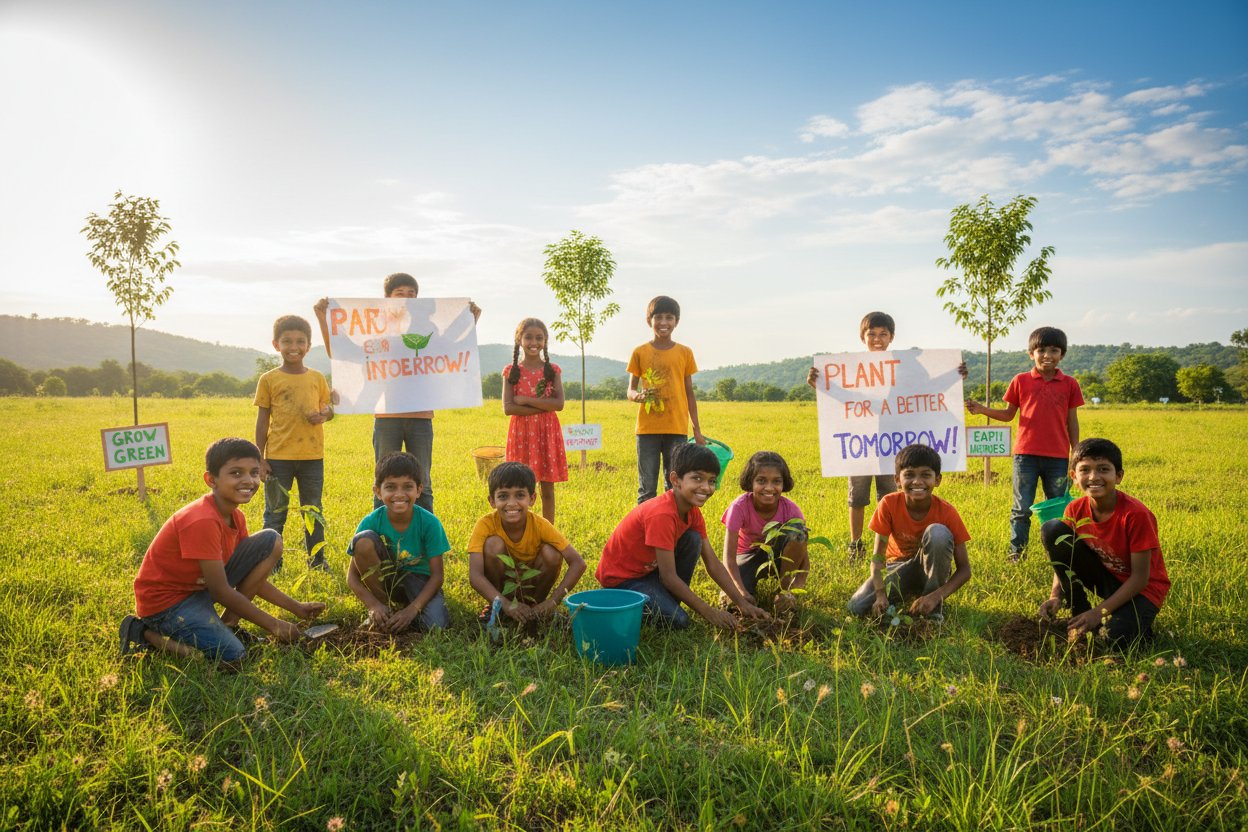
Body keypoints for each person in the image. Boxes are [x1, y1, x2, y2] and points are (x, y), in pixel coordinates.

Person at [119, 438, 325, 664]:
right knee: (232, 657)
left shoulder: (236, 516)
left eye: (254, 472)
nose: (248, 480)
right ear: (211, 480)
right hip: (167, 604)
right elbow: (220, 592)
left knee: (271, 540)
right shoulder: (202, 521)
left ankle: (228, 625)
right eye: (236, 473)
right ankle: (144, 634)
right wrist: (275, 626)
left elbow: (250, 578)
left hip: (198, 588)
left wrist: (296, 608)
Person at [314, 273, 482, 515]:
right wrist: (324, 319)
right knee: (384, 481)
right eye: (400, 294)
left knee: (422, 482)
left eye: (411, 294)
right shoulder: (382, 334)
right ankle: (379, 538)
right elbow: (345, 352)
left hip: (421, 417)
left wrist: (469, 322)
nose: (406, 299)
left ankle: (425, 538)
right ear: (387, 300)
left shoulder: (429, 332)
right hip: (387, 416)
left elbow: (451, 352)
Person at [808, 311, 967, 563]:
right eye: (872, 334)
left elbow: (924, 392)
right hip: (860, 440)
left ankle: (889, 546)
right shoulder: (850, 369)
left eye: (883, 334)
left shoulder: (906, 367)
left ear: (892, 337)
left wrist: (953, 376)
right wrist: (820, 385)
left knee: (889, 496)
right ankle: (856, 544)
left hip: (891, 442)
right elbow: (845, 398)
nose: (877, 339)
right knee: (857, 495)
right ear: (863, 337)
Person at [596, 443, 769, 630]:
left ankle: (667, 601)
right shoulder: (661, 514)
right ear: (676, 480)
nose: (706, 487)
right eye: (697, 478)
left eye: (711, 481)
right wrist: (710, 612)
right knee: (678, 621)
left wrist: (742, 604)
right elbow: (668, 577)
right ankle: (634, 605)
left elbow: (713, 564)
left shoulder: (693, 512)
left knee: (693, 538)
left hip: (648, 573)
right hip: (623, 581)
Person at [966, 326, 1083, 563]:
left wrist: (1077, 455)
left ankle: (1062, 555)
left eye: (1054, 350)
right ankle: (1016, 554)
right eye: (1041, 350)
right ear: (1031, 353)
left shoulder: (1070, 384)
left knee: (1059, 508)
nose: (1047, 355)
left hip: (1059, 458)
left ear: (1063, 354)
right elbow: (1009, 414)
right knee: (1021, 509)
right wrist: (981, 410)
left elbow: (1072, 422)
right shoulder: (1020, 380)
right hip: (1025, 457)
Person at [1037, 438, 1169, 647]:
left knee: (1112, 640)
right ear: (1074, 477)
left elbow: (1141, 579)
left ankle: (1134, 624)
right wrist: (1056, 596)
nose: (1093, 477)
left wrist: (1099, 612)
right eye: (1085, 470)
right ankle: (1079, 609)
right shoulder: (1075, 509)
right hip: (1107, 578)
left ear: (1118, 476)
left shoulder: (1136, 515)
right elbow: (1065, 557)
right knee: (1052, 529)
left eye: (1103, 469)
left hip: (1142, 590)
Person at [847, 443, 972, 618]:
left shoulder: (947, 512)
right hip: (899, 567)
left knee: (938, 533)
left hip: (932, 570)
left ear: (937, 480)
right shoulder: (888, 504)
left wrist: (936, 596)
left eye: (926, 475)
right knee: (856, 606)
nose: (918, 481)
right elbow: (878, 557)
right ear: (897, 480)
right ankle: (908, 591)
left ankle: (932, 609)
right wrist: (881, 595)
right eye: (909, 475)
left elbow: (965, 570)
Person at [254, 314, 334, 571]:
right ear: (276, 344)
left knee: (313, 512)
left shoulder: (317, 378)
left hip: (312, 457)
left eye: (300, 341)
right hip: (278, 458)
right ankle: (271, 565)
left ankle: (317, 562)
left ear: (309, 346)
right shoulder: (269, 379)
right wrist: (260, 457)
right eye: (287, 341)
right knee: (275, 514)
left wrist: (325, 414)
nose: (294, 347)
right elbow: (262, 421)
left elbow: (327, 410)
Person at [467, 461, 586, 624]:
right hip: (503, 590)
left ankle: (535, 610)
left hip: (532, 588)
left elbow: (578, 563)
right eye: (503, 496)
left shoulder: (540, 525)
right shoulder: (485, 524)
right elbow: (475, 576)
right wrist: (506, 604)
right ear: (492, 501)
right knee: (492, 544)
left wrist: (553, 601)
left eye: (520, 495)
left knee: (552, 553)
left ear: (532, 498)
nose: (512, 503)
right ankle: (497, 606)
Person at [345, 452, 451, 632]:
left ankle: (404, 612)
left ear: (419, 490)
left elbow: (437, 576)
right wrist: (373, 605)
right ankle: (385, 609)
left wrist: (412, 610)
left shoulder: (430, 523)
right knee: (362, 540)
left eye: (407, 487)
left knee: (437, 626)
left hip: (419, 580)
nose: (399, 495)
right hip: (386, 579)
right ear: (378, 492)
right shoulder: (370, 522)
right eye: (391, 487)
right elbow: (352, 578)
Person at [626, 296, 705, 504]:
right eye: (658, 317)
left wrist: (696, 429)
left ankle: (674, 531)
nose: (663, 322)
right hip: (647, 430)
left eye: (669, 317)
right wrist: (638, 397)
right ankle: (645, 532)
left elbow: (689, 393)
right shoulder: (640, 352)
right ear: (649, 320)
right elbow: (631, 390)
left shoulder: (685, 353)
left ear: (676, 322)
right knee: (647, 488)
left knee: (675, 486)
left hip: (677, 428)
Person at [719, 451, 809, 615]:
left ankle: (783, 589)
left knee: (798, 530)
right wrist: (740, 590)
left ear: (784, 483)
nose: (769, 488)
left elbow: (802, 553)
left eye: (776, 481)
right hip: (746, 556)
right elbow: (729, 558)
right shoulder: (738, 507)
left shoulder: (791, 510)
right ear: (750, 482)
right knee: (731, 604)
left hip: (777, 556)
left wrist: (795, 587)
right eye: (761, 481)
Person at [502, 318, 567, 523]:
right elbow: (508, 408)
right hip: (521, 434)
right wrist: (540, 406)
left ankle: (548, 533)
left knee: (548, 489)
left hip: (547, 433)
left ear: (545, 341)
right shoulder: (511, 372)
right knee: (519, 488)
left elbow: (558, 405)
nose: (534, 342)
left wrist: (525, 401)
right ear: (519, 339)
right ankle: (520, 529)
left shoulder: (552, 370)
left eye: (539, 338)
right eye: (528, 337)